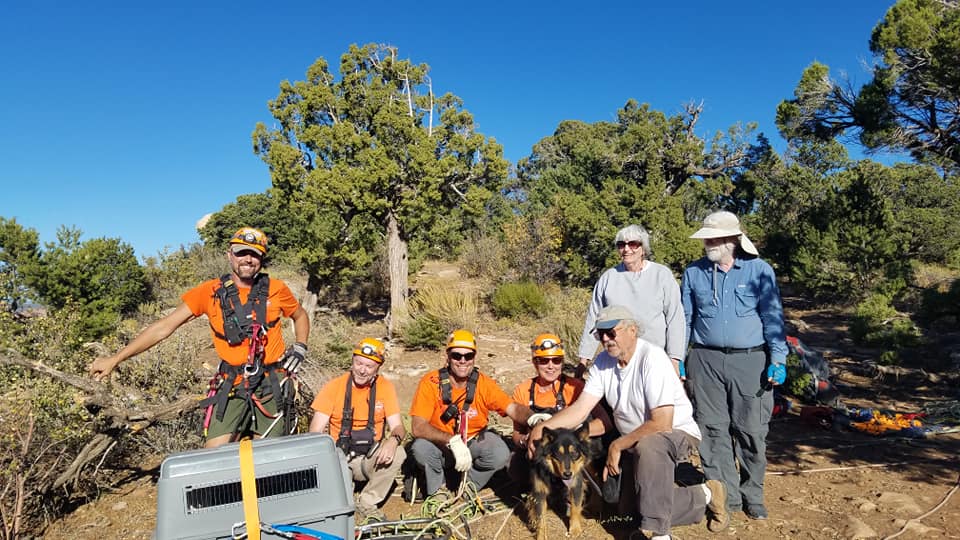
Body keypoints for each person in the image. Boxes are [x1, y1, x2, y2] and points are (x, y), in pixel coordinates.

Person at [88, 227, 311, 448]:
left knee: (268, 458)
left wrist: (300, 346)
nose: (248, 259)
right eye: (242, 252)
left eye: (255, 254)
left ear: (262, 258)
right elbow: (163, 327)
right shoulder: (209, 292)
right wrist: (115, 359)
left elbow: (300, 316)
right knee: (213, 456)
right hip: (233, 384)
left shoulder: (277, 289)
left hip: (271, 383)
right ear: (229, 255)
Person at [529, 305, 728, 539]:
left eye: (611, 332)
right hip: (633, 442)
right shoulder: (603, 363)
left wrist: (618, 445)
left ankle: (659, 534)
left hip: (673, 434)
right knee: (628, 511)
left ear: (632, 330)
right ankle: (705, 495)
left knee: (650, 446)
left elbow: (662, 423)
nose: (605, 339)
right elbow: (581, 409)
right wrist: (543, 427)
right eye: (600, 334)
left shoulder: (652, 359)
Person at [681, 210, 787, 521]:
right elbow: (684, 319)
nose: (708, 243)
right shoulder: (693, 273)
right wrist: (677, 357)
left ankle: (752, 494)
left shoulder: (758, 270)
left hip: (751, 360)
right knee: (712, 430)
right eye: (706, 239)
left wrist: (778, 359)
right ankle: (725, 497)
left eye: (714, 238)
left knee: (751, 430)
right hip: (704, 359)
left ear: (732, 240)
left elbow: (773, 318)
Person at [409, 329, 532, 496]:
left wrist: (534, 419)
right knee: (421, 448)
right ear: (448, 356)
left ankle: (468, 488)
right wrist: (451, 440)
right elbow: (418, 427)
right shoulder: (430, 383)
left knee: (499, 452)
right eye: (456, 356)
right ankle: (438, 491)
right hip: (441, 444)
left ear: (474, 358)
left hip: (473, 440)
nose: (462, 361)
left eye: (468, 356)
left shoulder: (484, 383)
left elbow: (513, 408)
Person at [309, 338, 406, 522]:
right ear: (352, 362)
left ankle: (368, 502)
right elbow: (315, 431)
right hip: (340, 457)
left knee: (399, 453)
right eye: (359, 363)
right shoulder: (334, 387)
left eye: (369, 366)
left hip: (371, 456)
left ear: (377, 369)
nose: (362, 370)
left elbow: (399, 427)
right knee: (339, 499)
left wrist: (393, 441)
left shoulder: (385, 387)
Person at [577, 224, 685, 378]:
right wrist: (583, 361)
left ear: (643, 248)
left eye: (633, 244)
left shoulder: (661, 275)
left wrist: (675, 360)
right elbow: (594, 319)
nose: (627, 249)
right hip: (617, 360)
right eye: (621, 245)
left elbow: (675, 318)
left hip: (654, 359)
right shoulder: (608, 277)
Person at [507, 333, 608, 485]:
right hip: (540, 452)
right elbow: (516, 433)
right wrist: (525, 440)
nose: (551, 366)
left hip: (570, 453)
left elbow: (604, 423)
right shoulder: (523, 390)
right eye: (544, 361)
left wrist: (572, 433)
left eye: (556, 360)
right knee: (515, 469)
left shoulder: (575, 387)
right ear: (535, 362)